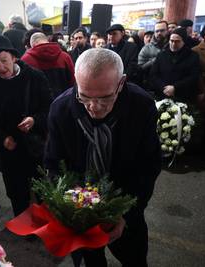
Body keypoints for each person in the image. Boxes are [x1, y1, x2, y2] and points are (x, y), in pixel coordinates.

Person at [45, 48, 161, 266]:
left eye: (105, 98)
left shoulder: (141, 106)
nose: (94, 107)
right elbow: (54, 163)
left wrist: (124, 213)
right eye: (85, 96)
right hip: (80, 213)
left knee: (134, 259)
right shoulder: (60, 110)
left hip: (126, 206)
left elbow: (148, 166)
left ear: (121, 82)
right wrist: (71, 206)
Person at [0, 36, 51, 216]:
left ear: (14, 57)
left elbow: (49, 108)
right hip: (10, 151)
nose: (1, 67)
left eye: (4, 61)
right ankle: (24, 226)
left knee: (43, 190)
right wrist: (2, 138)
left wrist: (35, 120)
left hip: (36, 145)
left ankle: (46, 224)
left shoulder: (35, 77)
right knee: (17, 193)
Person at [150, 27, 200, 103]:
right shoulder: (162, 55)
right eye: (171, 41)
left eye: (177, 41)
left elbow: (193, 76)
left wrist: (175, 87)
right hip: (162, 94)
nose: (173, 44)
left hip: (183, 95)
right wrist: (164, 88)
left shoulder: (192, 56)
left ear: (183, 41)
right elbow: (153, 74)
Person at [21, 32, 75, 99]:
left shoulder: (26, 60)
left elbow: (23, 87)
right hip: (63, 102)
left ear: (32, 45)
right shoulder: (65, 57)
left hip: (37, 105)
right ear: (47, 41)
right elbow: (73, 81)